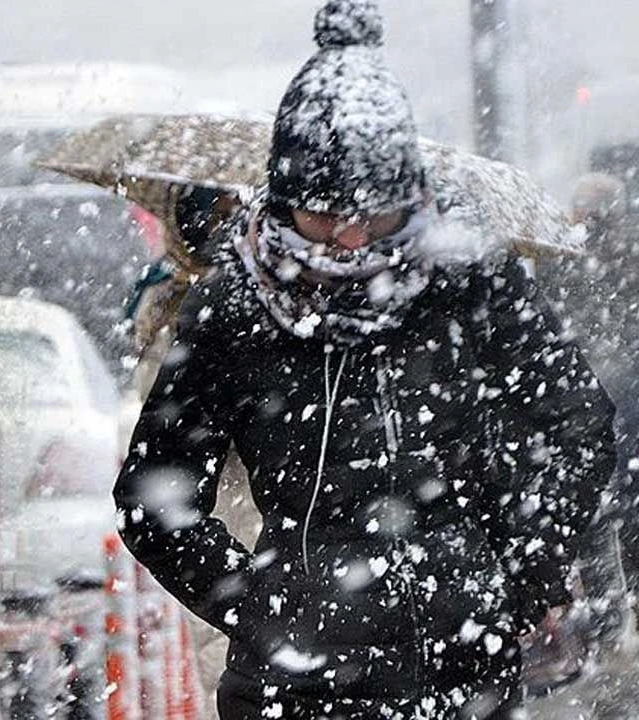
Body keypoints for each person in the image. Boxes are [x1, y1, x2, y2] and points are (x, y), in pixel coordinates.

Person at [112, 1, 617, 717]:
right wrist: (258, 604)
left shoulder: (469, 283)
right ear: (284, 203)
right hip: (295, 687)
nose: (350, 241)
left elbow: (579, 424)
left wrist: (524, 571)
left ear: (409, 196)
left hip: (463, 671)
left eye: (374, 216)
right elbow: (152, 498)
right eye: (323, 216)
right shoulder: (235, 308)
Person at [537, 172, 639, 654]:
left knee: (599, 515)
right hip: (604, 396)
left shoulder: (567, 253)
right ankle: (613, 618)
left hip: (596, 398)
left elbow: (552, 319)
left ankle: (606, 623)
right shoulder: (617, 249)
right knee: (609, 513)